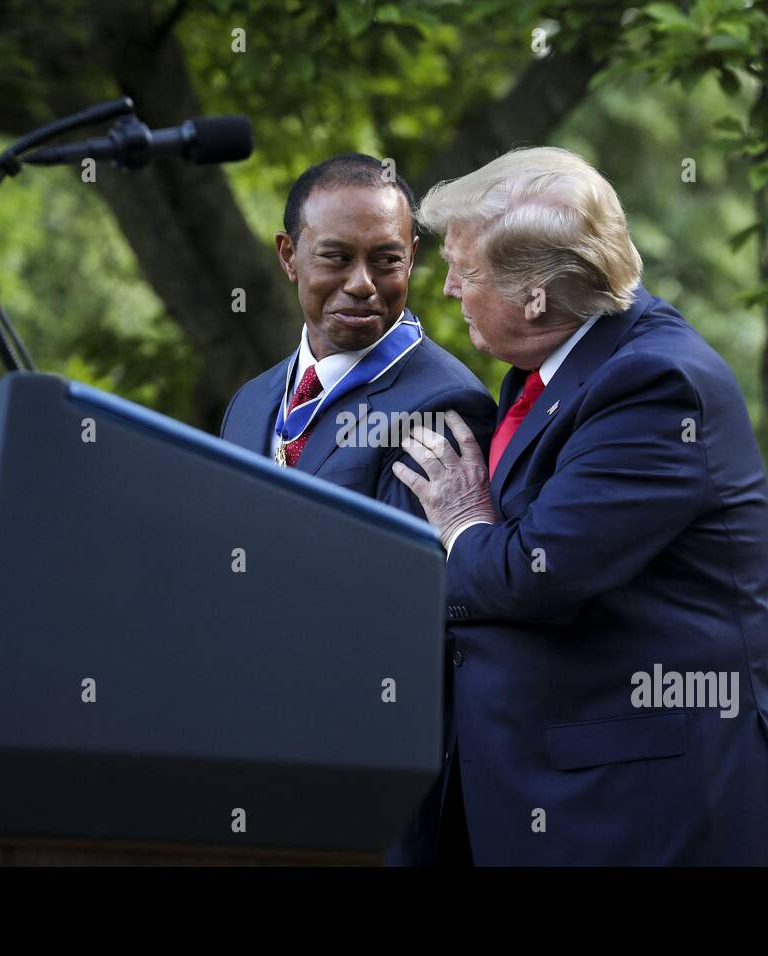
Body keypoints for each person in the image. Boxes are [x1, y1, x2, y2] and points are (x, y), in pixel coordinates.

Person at [393, 146, 768, 865]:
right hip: (568, 798)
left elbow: (537, 574)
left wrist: (463, 525)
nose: (447, 291)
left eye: (463, 272)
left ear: (534, 296)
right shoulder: (562, 368)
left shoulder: (655, 384)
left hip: (650, 814)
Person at [219, 153, 496, 865]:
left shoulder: (439, 402)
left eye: (387, 261)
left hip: (371, 774)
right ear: (288, 255)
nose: (363, 285)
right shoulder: (251, 404)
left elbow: (403, 616)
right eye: (336, 258)